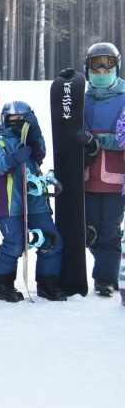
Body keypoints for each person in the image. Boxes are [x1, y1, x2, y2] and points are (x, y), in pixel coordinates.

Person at [0, 101, 67, 302]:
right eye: (13, 121)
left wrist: (35, 131)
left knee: (51, 239)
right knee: (14, 244)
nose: (17, 125)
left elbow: (40, 154)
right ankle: (3, 285)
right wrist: (14, 158)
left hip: (35, 199)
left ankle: (47, 283)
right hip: (10, 200)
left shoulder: (32, 139)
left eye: (22, 121)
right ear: (5, 121)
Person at [81, 43, 125, 297]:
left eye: (106, 67)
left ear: (116, 67)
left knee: (109, 228)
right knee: (88, 229)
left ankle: (105, 278)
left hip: (113, 178)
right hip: (85, 177)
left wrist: (98, 140)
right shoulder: (81, 98)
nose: (101, 72)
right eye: (95, 69)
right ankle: (105, 267)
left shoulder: (123, 97)